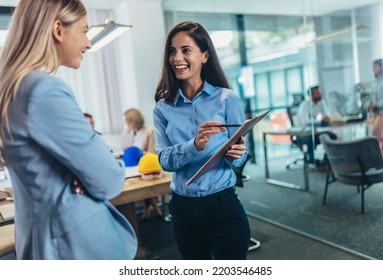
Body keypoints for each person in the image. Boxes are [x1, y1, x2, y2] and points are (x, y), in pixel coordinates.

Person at [0, 0, 137, 260]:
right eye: (85, 30)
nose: (89, 43)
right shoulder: (44, 90)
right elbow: (109, 180)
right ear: (58, 30)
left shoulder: (14, 90)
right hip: (72, 246)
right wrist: (93, 168)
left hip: (41, 240)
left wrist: (82, 171)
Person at [153, 21, 250, 260]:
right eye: (172, 51)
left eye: (186, 50)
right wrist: (194, 145)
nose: (177, 58)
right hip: (183, 210)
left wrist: (237, 155)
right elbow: (164, 160)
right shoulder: (163, 109)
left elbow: (241, 154)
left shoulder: (227, 100)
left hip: (222, 205)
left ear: (205, 55)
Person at [123, 108, 163, 220]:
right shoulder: (130, 132)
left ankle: (150, 209)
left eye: (127, 120)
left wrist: (138, 154)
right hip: (132, 165)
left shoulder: (149, 131)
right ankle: (154, 208)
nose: (125, 123)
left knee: (144, 182)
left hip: (146, 164)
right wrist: (127, 132)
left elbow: (152, 151)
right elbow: (123, 148)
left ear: (133, 120)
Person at [296, 85, 336, 164]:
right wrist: (320, 121)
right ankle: (311, 160)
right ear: (312, 95)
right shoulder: (305, 105)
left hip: (315, 131)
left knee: (331, 136)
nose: (320, 94)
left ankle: (327, 158)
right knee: (310, 138)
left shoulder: (321, 103)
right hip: (302, 132)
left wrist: (327, 118)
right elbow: (305, 122)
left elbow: (327, 113)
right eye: (318, 93)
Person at [367, 58, 383, 159]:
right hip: (375, 113)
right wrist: (369, 105)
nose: (373, 69)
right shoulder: (375, 81)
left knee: (375, 135)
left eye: (375, 66)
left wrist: (376, 105)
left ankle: (377, 160)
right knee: (382, 138)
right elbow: (371, 97)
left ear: (381, 67)